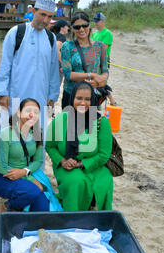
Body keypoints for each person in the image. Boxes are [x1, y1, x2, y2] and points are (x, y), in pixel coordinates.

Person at [45, 82, 113, 211]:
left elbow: (104, 154)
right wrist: (63, 161)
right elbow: (50, 146)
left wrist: (82, 164)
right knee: (75, 181)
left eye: (87, 99)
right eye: (79, 98)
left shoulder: (101, 122)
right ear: (72, 99)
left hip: (94, 166)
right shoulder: (60, 119)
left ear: (92, 100)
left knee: (104, 181)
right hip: (66, 166)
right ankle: (74, 216)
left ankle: (93, 208)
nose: (83, 103)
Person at [0, 0, 60, 134]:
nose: (46, 20)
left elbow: (53, 69)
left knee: (37, 137)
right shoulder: (16, 32)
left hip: (40, 97)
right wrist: (2, 92)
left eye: (50, 17)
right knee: (10, 134)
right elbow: (5, 64)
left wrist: (53, 96)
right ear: (33, 11)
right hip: (15, 94)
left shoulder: (51, 38)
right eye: (42, 14)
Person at [0, 98, 50, 212]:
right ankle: (7, 206)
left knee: (43, 208)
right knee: (33, 190)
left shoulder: (37, 133)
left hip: (23, 174)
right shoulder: (5, 134)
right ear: (19, 113)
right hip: (3, 177)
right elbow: (1, 167)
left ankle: (23, 207)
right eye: (28, 110)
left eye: (36, 112)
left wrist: (24, 172)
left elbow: (38, 161)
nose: (32, 115)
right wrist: (29, 178)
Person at [61, 11, 109, 109]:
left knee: (90, 124)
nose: (81, 29)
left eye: (85, 25)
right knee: (69, 124)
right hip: (71, 95)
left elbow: (105, 72)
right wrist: (92, 75)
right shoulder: (67, 46)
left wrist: (99, 82)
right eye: (77, 27)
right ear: (72, 29)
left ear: (89, 25)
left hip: (91, 97)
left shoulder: (100, 46)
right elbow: (68, 74)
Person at [91, 12, 117, 106]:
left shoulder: (107, 33)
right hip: (93, 61)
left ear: (103, 21)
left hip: (102, 62)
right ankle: (105, 101)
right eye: (95, 21)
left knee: (100, 82)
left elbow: (103, 49)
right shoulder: (94, 34)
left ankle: (111, 100)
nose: (95, 23)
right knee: (94, 82)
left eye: (97, 21)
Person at [50, 19, 70, 84]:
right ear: (62, 28)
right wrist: (63, 63)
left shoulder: (55, 35)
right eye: (67, 26)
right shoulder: (62, 37)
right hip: (58, 64)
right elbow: (57, 49)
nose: (68, 28)